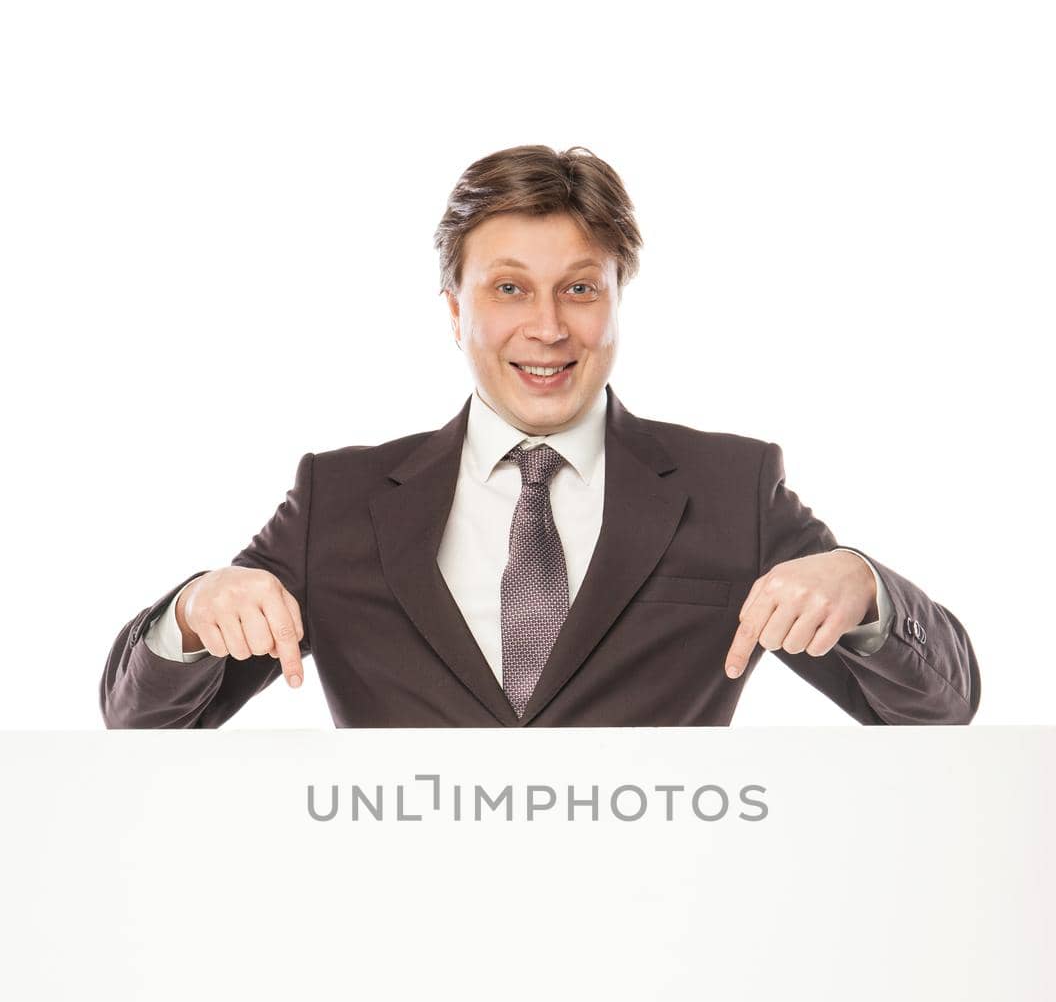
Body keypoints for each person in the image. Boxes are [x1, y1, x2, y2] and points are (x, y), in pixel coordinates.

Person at [99, 144, 980, 730]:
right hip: (398, 932)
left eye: (581, 289)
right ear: (455, 310)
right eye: (510, 289)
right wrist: (190, 614)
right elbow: (140, 722)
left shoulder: (728, 486)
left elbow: (938, 710)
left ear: (617, 301)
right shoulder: (342, 497)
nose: (548, 328)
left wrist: (862, 590)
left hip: (669, 937)